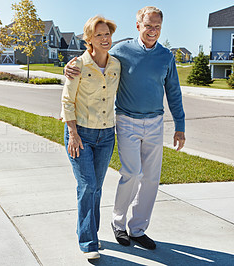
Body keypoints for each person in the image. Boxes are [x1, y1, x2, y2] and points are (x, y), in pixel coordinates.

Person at [64, 6, 186, 250]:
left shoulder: (166, 57)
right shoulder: (121, 50)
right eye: (148, 25)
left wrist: (180, 125)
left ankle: (138, 229)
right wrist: (69, 65)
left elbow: (173, 92)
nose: (153, 31)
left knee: (151, 178)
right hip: (126, 120)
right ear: (138, 25)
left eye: (157, 27)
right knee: (131, 173)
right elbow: (95, 53)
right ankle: (118, 224)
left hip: (155, 122)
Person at [61, 15, 121, 260]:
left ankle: (90, 233)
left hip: (107, 135)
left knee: (96, 188)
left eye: (107, 34)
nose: (105, 39)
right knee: (87, 185)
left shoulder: (117, 65)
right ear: (89, 40)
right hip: (81, 133)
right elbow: (67, 101)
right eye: (99, 35)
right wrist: (73, 134)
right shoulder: (78, 65)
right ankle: (88, 242)